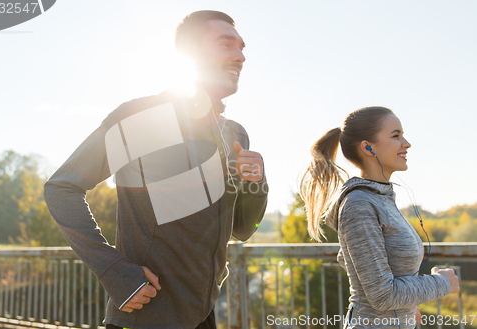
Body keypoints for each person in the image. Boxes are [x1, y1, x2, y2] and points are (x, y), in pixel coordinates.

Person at [44, 10, 268, 329]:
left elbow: (243, 229)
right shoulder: (145, 117)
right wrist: (113, 270)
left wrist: (257, 182)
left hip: (203, 315)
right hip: (144, 314)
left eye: (242, 47)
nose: (241, 56)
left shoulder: (235, 134)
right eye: (226, 44)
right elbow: (62, 188)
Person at [299, 106, 459, 328]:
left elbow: (353, 261)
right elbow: (382, 295)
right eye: (396, 136)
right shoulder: (359, 204)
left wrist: (409, 301)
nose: (407, 143)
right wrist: (441, 282)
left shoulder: (380, 199)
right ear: (368, 147)